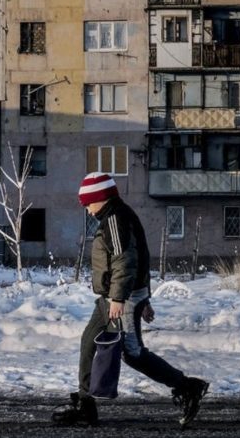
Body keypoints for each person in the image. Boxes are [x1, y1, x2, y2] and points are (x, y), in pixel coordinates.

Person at [53, 172, 209, 427]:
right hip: (113, 298)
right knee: (88, 342)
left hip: (121, 299)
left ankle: (187, 387)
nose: (88, 211)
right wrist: (143, 298)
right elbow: (141, 257)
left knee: (133, 354)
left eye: (88, 204)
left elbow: (126, 260)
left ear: (100, 198)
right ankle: (84, 404)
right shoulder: (117, 217)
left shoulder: (115, 218)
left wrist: (122, 297)